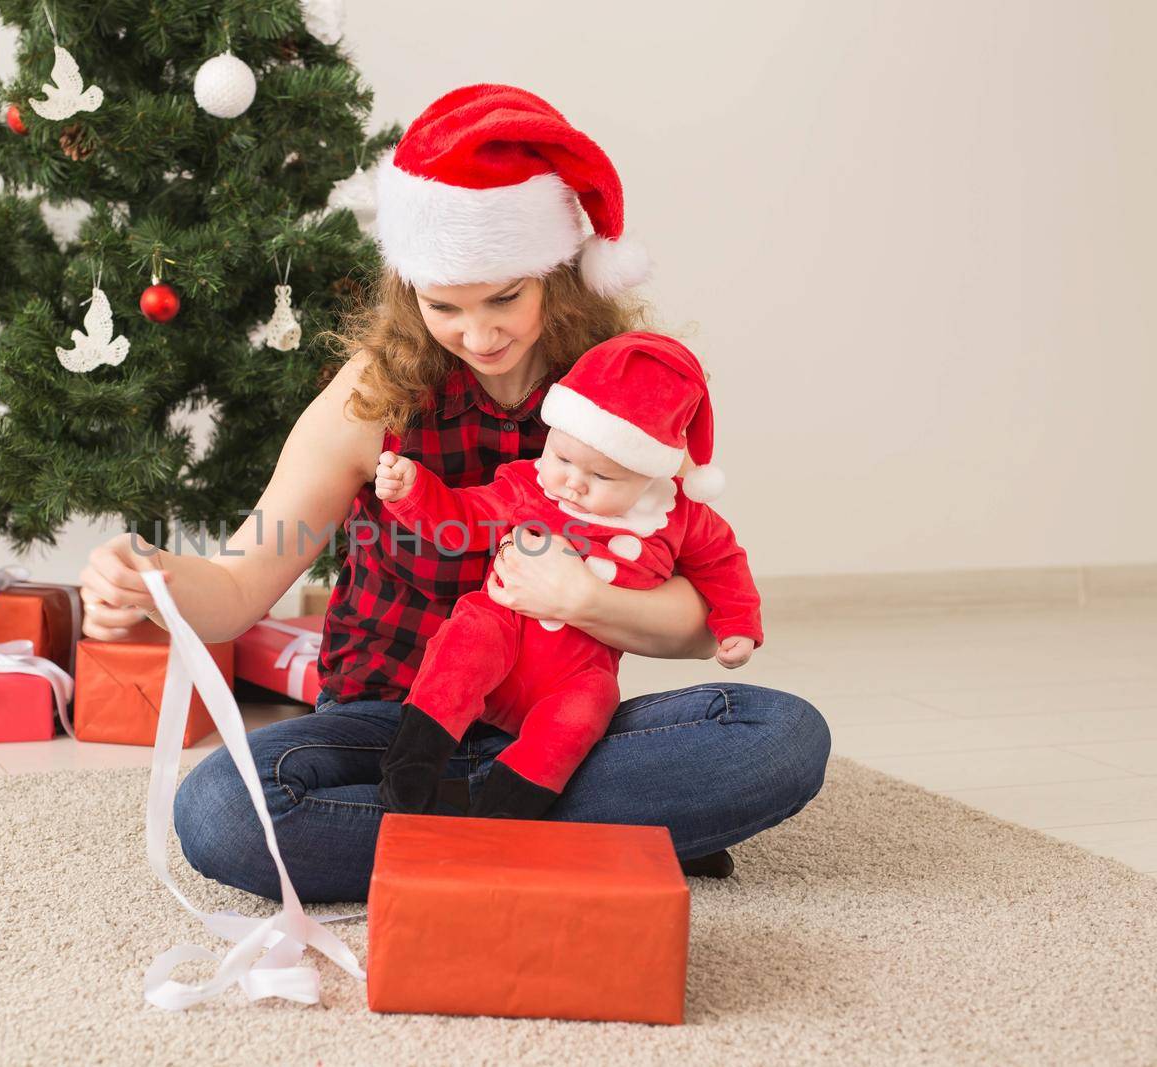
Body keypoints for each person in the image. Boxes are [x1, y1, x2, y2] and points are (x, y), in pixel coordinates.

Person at [77, 84, 830, 902]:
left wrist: (578, 596)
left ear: (559, 275)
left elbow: (700, 621)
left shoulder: (627, 390)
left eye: (506, 296)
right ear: (410, 290)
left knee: (780, 736)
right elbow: (235, 590)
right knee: (221, 810)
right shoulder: (373, 395)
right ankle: (583, 829)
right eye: (445, 306)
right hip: (388, 729)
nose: (481, 334)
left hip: (557, 727)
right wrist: (148, 579)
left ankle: (458, 830)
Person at [374, 331, 762, 820]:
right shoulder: (527, 483)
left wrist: (738, 626)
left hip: (576, 671)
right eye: (562, 458)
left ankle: (502, 815)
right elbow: (462, 519)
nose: (573, 482)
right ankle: (412, 770)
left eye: (603, 478)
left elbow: (723, 564)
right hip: (505, 633)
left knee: (589, 706)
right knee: (470, 634)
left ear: (650, 474)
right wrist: (413, 492)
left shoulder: (679, 515)